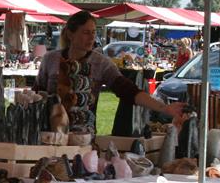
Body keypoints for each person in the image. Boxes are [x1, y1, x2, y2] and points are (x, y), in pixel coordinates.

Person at [34, 11, 186, 135]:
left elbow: (129, 91)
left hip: (83, 136)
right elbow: (37, 95)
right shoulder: (50, 59)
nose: (92, 37)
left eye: (93, 32)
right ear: (70, 34)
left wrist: (163, 108)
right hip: (48, 134)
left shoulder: (101, 63)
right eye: (86, 32)